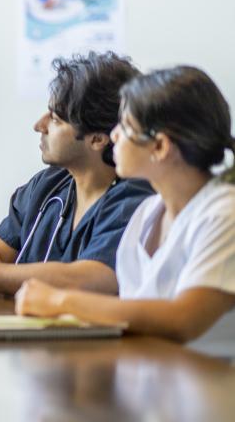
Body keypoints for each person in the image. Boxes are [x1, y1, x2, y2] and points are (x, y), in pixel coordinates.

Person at [16, 66, 235, 355]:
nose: (114, 135)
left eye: (126, 127)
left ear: (159, 146)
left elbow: (183, 320)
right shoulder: (147, 213)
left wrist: (61, 301)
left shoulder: (224, 213)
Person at [0, 52, 153, 296]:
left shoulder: (134, 198)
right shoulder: (48, 184)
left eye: (56, 119)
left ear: (97, 139)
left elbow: (93, 278)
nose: (39, 125)